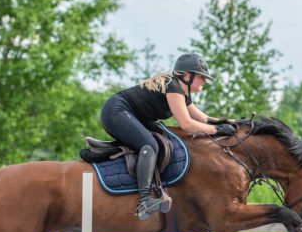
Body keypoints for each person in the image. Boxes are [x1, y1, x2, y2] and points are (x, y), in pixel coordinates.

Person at [100, 53, 236, 220]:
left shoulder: (182, 92)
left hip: (130, 114)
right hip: (116, 111)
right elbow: (187, 125)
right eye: (202, 77)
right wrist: (218, 130)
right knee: (151, 145)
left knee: (164, 137)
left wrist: (237, 123)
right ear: (187, 76)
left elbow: (204, 119)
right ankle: (143, 201)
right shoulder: (173, 87)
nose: (205, 81)